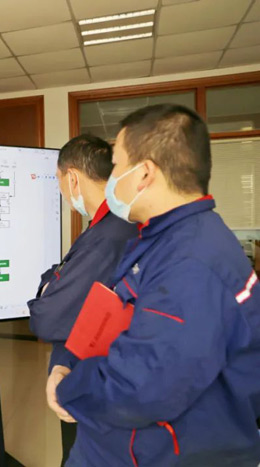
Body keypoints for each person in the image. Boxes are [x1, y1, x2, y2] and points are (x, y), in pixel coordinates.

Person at [49, 104, 260, 466]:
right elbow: (116, 308)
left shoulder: (193, 260)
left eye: (116, 165)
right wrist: (67, 359)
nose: (111, 178)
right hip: (125, 442)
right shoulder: (163, 238)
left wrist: (67, 386)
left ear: (144, 173)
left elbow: (142, 387)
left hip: (157, 451)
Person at [28, 135, 138, 465]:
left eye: (60, 181)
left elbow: (47, 319)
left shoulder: (109, 235)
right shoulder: (112, 224)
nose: (63, 192)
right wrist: (55, 280)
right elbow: (63, 281)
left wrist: (50, 285)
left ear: (72, 178)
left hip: (104, 386)